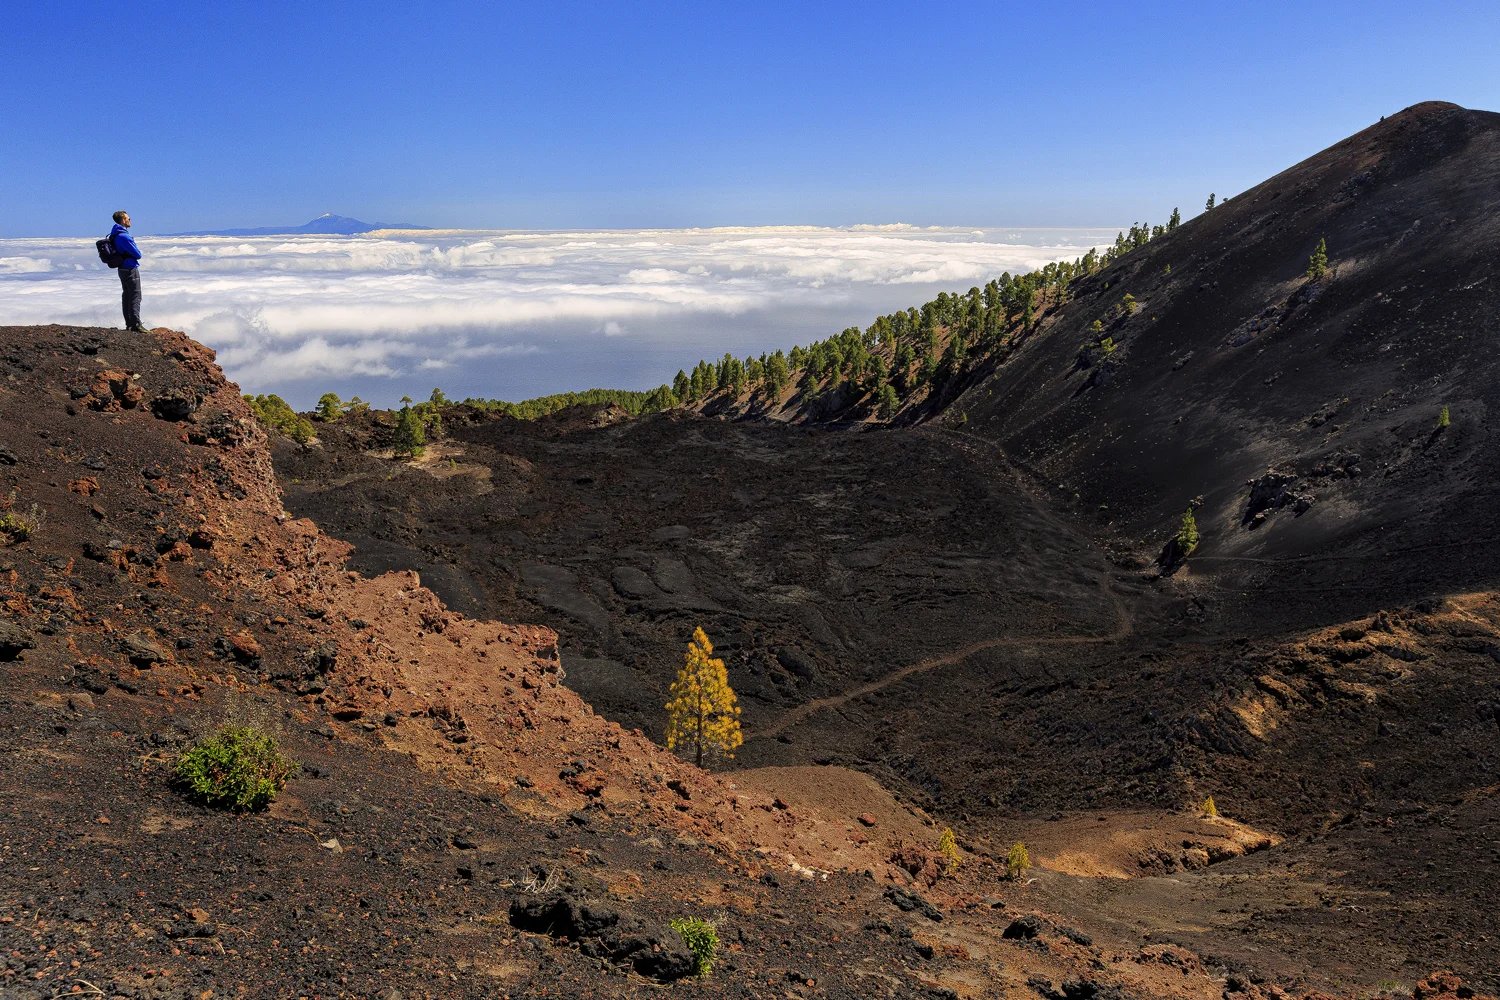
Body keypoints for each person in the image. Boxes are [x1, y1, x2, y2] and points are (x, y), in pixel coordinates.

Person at [108, 210, 147, 333]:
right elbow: (138, 254)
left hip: (121, 269)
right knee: (135, 296)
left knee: (127, 295)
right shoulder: (124, 236)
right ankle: (136, 324)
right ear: (123, 220)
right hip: (130, 268)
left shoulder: (114, 234)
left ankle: (130, 323)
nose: (130, 221)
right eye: (128, 218)